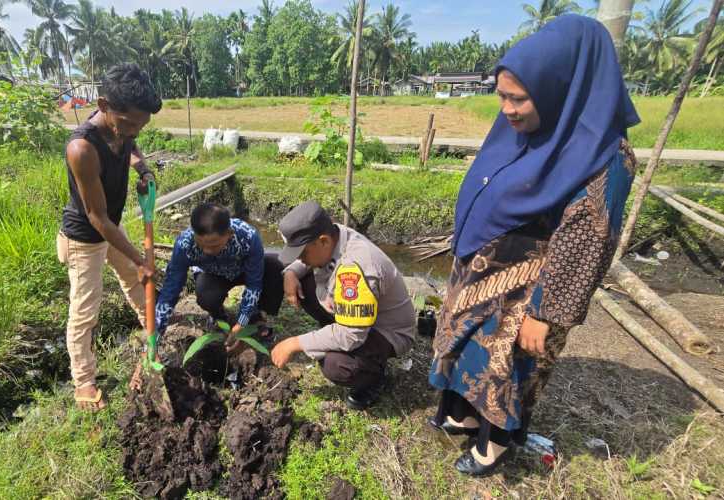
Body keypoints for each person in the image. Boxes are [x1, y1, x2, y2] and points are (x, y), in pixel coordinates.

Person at [428, 15, 641, 476]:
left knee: (510, 365)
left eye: (517, 98)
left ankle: (496, 444)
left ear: (559, 90)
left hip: (529, 294)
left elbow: (589, 243)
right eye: (501, 96)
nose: (506, 109)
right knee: (468, 352)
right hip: (479, 277)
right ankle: (464, 415)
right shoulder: (521, 130)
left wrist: (545, 315)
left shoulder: (605, 157)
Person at [56, 63, 162, 412]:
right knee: (85, 312)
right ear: (103, 105)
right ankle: (83, 382)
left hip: (111, 229)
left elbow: (130, 145)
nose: (134, 130)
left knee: (135, 281)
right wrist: (139, 257)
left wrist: (142, 169)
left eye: (141, 125)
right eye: (129, 123)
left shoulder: (124, 128)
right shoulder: (82, 149)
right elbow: (96, 217)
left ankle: (153, 332)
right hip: (85, 237)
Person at [270, 201, 416, 410]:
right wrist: (291, 272)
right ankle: (331, 331)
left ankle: (375, 377)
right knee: (303, 280)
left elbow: (351, 335)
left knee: (336, 365)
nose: (301, 259)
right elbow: (304, 261)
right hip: (360, 315)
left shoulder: (356, 268)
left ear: (323, 241)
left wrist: (294, 343)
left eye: (302, 253)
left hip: (386, 331)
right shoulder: (335, 234)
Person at [155, 203, 284, 347]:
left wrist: (241, 323)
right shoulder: (184, 244)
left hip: (243, 271)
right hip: (213, 275)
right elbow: (170, 288)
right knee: (206, 295)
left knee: (274, 266)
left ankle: (256, 316)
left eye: (214, 245)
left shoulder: (248, 236)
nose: (207, 251)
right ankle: (219, 317)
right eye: (201, 244)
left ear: (229, 233)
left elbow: (254, 284)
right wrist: (155, 334)